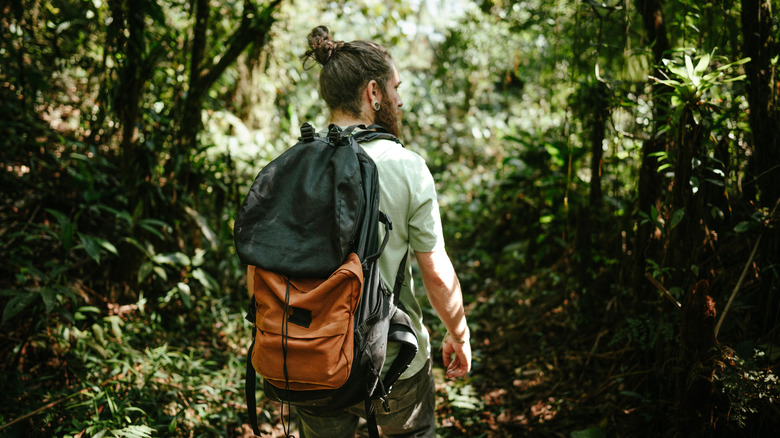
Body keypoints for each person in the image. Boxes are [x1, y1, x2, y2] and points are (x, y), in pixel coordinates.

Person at [292, 26, 472, 438]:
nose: (400, 98)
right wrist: (458, 334)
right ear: (373, 93)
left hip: (311, 357)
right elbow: (436, 273)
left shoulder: (297, 163)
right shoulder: (406, 166)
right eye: (396, 87)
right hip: (392, 360)